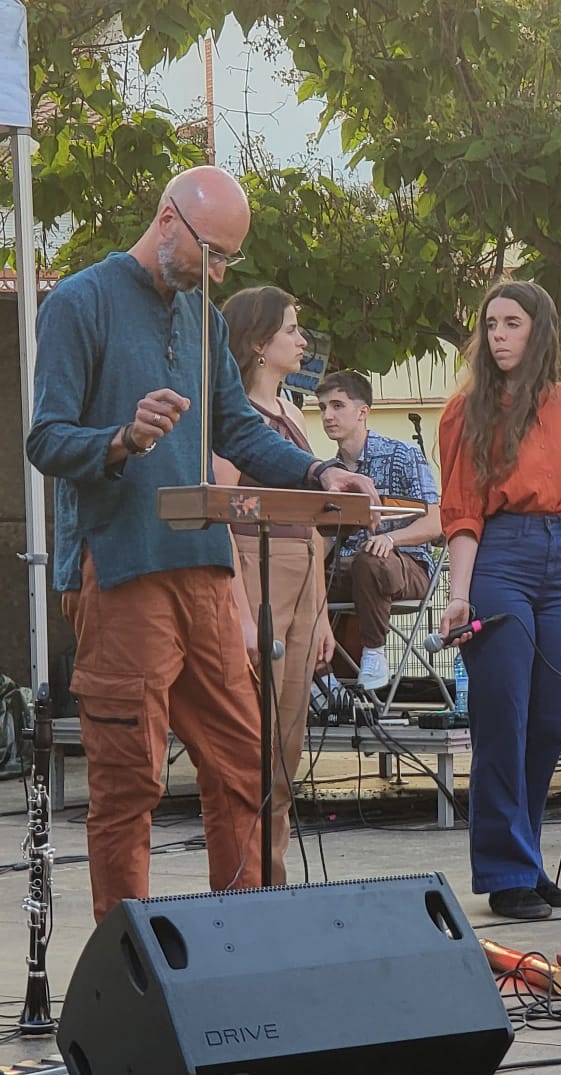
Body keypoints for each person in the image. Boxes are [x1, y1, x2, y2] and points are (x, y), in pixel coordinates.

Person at [26, 166, 376, 922]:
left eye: (226, 261)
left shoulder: (204, 316)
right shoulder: (78, 303)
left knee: (246, 766)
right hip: (122, 568)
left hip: (206, 569)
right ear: (166, 219)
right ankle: (132, 966)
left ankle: (243, 943)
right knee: (129, 784)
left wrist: (320, 472)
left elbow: (239, 429)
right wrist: (121, 438)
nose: (216, 273)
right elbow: (46, 438)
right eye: (210, 254)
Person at [436, 280, 561, 920]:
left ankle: (530, 860)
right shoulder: (467, 410)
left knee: (546, 722)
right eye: (491, 325)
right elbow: (459, 510)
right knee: (502, 719)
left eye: (512, 323)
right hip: (500, 557)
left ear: (540, 330)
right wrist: (460, 594)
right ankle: (505, 871)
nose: (500, 335)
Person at [208, 285, 336, 885]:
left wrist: (325, 615)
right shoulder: (237, 422)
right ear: (259, 343)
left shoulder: (291, 411)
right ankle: (251, 883)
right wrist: (240, 611)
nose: (301, 340)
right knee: (253, 745)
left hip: (304, 573)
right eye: (291, 329)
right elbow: (222, 515)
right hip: (258, 573)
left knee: (287, 745)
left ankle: (274, 878)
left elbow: (312, 516)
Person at [316, 369, 443, 691]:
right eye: (322, 408)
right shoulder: (329, 474)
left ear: (363, 412)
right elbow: (327, 539)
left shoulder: (403, 454)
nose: (327, 416)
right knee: (294, 571)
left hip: (405, 567)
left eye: (337, 406)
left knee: (369, 557)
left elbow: (436, 522)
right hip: (347, 573)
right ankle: (321, 681)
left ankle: (373, 653)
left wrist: (389, 538)